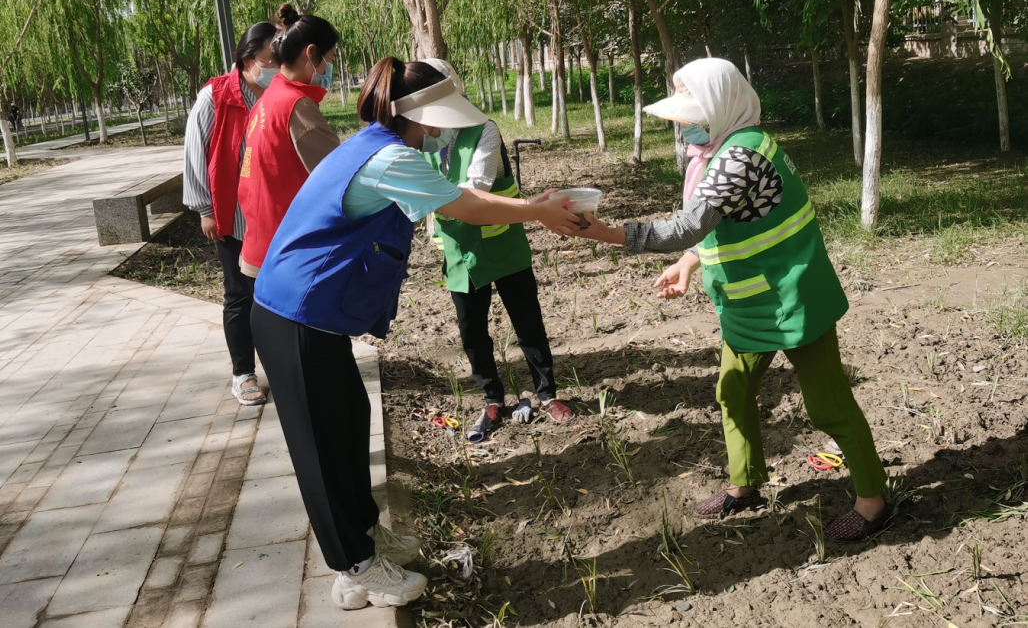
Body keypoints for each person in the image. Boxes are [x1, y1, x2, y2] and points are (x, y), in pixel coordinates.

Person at [249, 57, 579, 610]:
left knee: (351, 422)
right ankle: (353, 570)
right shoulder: (391, 157)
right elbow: (469, 206)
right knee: (323, 451)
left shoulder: (374, 144)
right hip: (292, 317)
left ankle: (368, 536)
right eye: (437, 121)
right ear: (417, 116)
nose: (441, 131)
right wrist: (536, 210)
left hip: (310, 317)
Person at [573, 58, 888, 542]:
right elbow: (724, 224)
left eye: (691, 120)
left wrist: (607, 232)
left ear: (721, 108)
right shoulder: (723, 150)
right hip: (749, 304)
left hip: (792, 300)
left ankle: (872, 500)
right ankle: (745, 486)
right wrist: (690, 263)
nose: (685, 131)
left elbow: (689, 225)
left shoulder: (743, 156)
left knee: (828, 406)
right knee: (733, 392)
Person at [419, 58, 572, 439]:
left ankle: (547, 393)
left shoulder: (483, 129)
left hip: (502, 245)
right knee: (473, 332)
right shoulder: (418, 139)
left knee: (528, 322)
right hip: (459, 254)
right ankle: (491, 397)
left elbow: (477, 189)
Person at [183, 21, 280, 406]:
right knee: (239, 294)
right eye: (270, 59)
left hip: (271, 213)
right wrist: (205, 209)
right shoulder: (215, 96)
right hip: (232, 216)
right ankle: (243, 372)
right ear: (247, 59)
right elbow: (195, 152)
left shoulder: (276, 95)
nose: (275, 66)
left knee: (273, 293)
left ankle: (279, 361)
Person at [237, 4, 341, 279]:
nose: (330, 68)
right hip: (287, 254)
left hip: (261, 244)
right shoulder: (295, 105)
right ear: (311, 54)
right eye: (330, 58)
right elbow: (340, 177)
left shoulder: (266, 101)